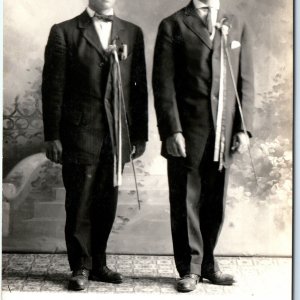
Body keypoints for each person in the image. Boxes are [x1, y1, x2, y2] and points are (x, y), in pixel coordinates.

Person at [42, 0, 148, 291]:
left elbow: (139, 87)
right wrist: (53, 136)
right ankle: (80, 266)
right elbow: (52, 87)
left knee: (107, 201)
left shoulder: (132, 33)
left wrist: (140, 135)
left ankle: (98, 263)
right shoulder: (64, 32)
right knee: (79, 202)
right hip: (78, 133)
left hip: (116, 134)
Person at [153, 0, 254, 293]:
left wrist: (244, 129)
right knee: (186, 200)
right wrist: (172, 130)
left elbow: (246, 80)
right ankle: (189, 269)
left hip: (224, 130)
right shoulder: (173, 24)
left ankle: (208, 263)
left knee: (215, 199)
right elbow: (163, 83)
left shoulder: (238, 22)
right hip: (187, 131)